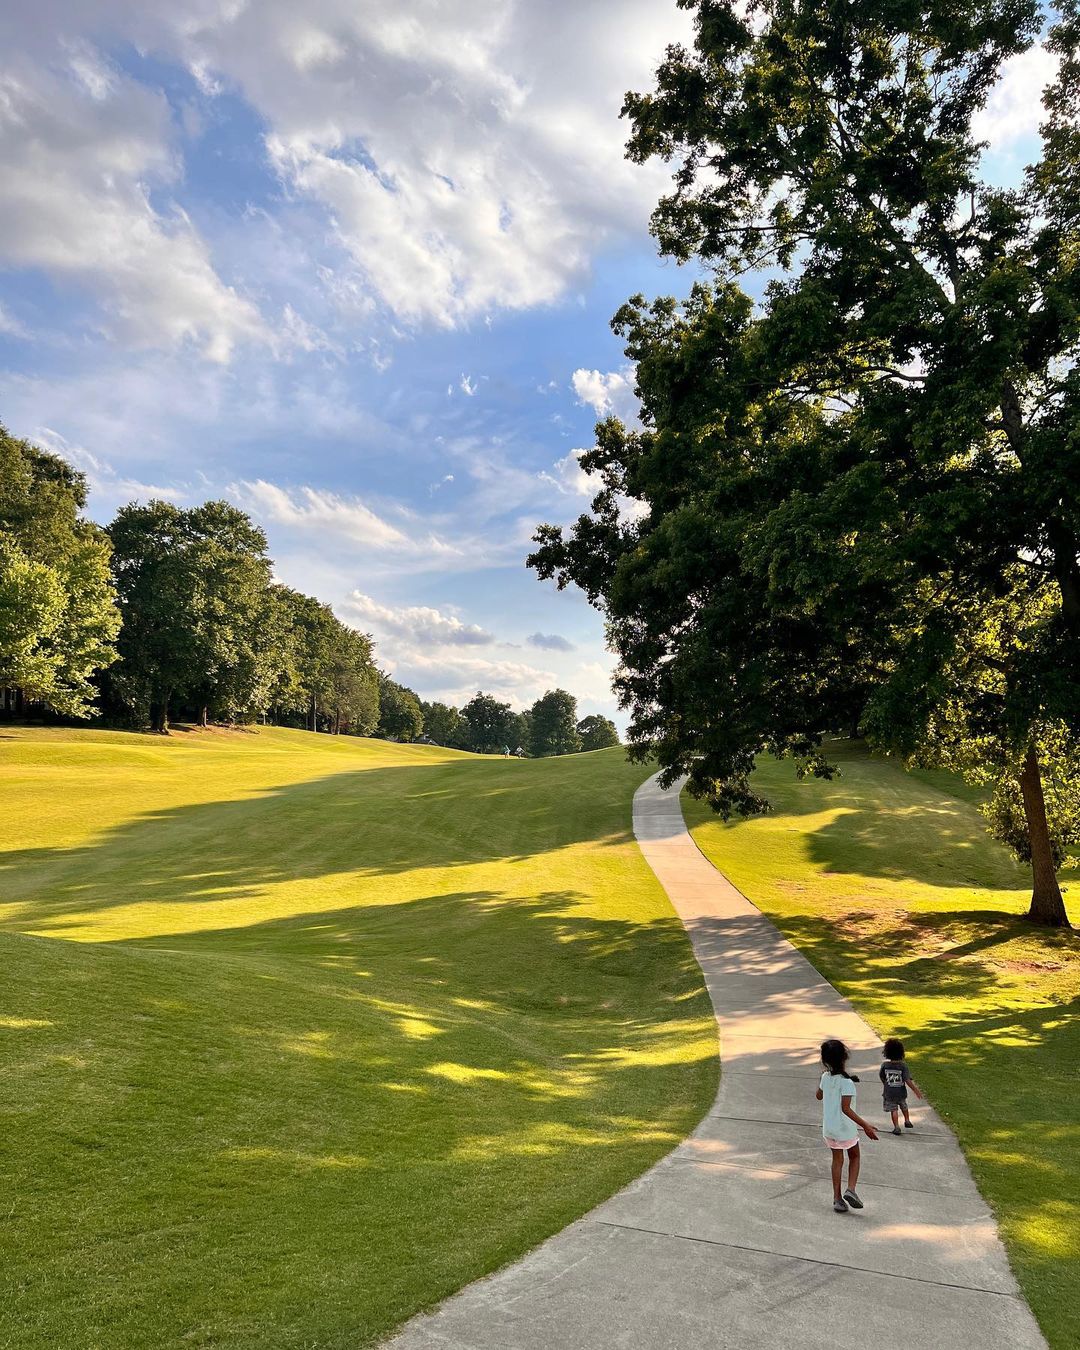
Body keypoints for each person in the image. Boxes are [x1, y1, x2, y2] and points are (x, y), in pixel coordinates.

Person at [817, 1038, 879, 1212]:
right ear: (844, 1057)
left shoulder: (825, 1077)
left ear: (825, 1060)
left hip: (829, 1129)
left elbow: (818, 1096)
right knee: (855, 1156)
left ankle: (837, 1198)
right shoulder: (847, 1083)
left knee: (837, 1160)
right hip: (845, 1129)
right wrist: (865, 1125)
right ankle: (851, 1189)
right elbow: (846, 1109)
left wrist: (824, 1084)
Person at [880, 1037, 923, 1135]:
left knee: (893, 1109)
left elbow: (882, 1076)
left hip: (889, 1093)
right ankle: (907, 1120)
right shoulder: (903, 1066)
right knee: (903, 1105)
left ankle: (896, 1127)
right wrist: (915, 1090)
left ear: (887, 1052)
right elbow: (907, 1080)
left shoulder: (885, 1065)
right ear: (901, 1053)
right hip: (901, 1092)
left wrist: (885, 1084)